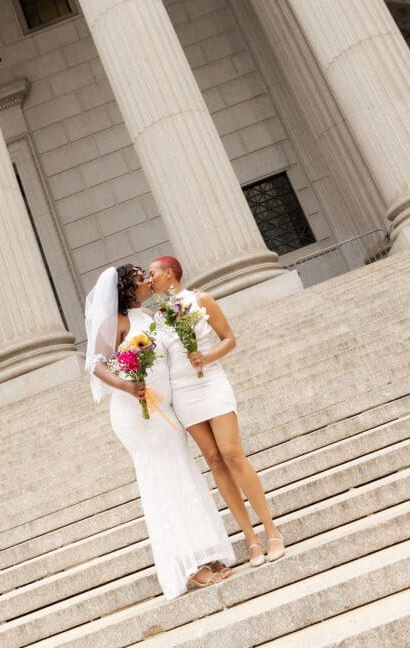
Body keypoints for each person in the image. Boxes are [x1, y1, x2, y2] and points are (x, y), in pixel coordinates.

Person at [84, 263, 235, 598]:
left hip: (165, 412)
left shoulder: (149, 316)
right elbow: (95, 364)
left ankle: (206, 554)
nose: (148, 282)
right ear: (125, 289)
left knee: (184, 477)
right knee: (162, 483)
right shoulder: (116, 322)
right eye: (141, 280)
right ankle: (187, 566)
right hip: (138, 417)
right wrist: (125, 385)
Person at [148, 255, 285, 567]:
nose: (149, 279)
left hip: (211, 383)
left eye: (153, 273)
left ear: (170, 273)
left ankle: (271, 529)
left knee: (232, 453)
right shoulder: (159, 317)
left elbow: (229, 339)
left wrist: (206, 358)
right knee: (213, 460)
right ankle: (249, 538)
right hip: (182, 392)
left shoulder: (201, 300)